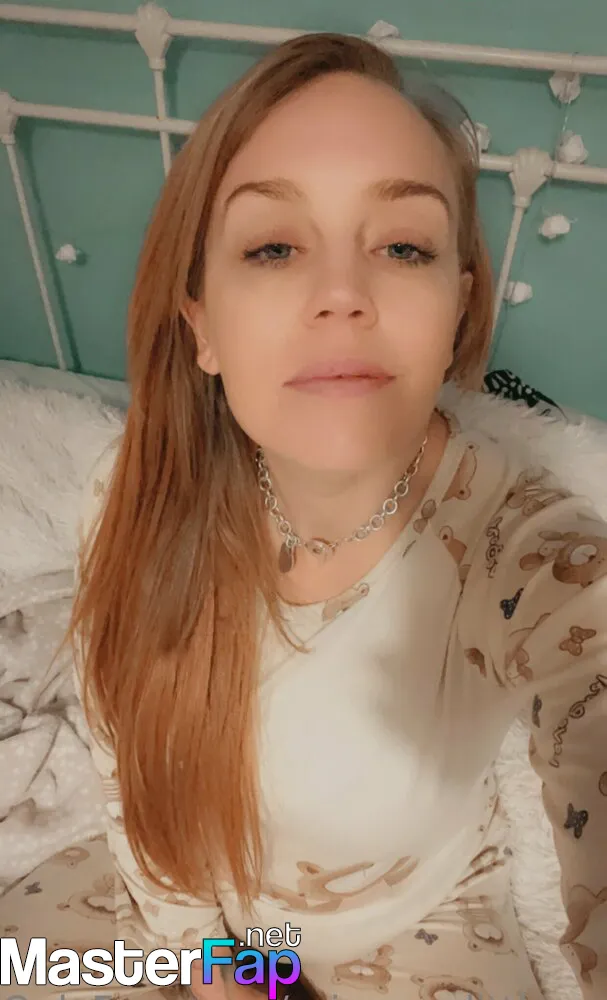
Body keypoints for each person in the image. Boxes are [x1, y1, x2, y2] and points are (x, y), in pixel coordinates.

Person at [67, 31, 606, 1000]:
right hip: (213, 930)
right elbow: (133, 792)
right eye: (273, 247)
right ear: (202, 326)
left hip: (426, 930)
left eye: (402, 247)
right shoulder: (134, 500)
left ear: (456, 308)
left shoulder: (525, 547)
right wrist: (220, 974)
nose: (342, 295)